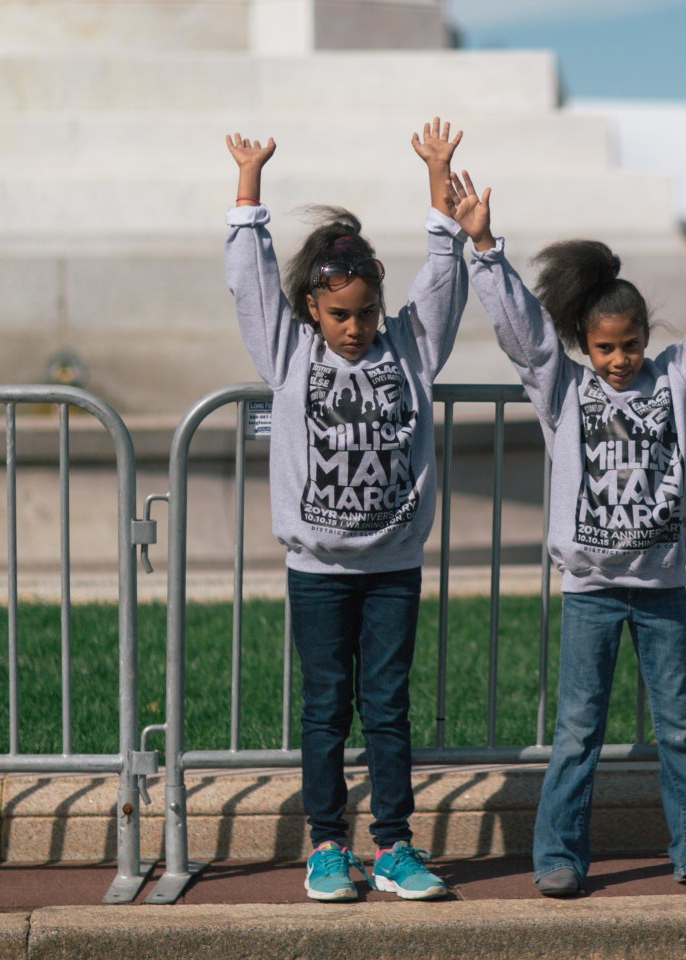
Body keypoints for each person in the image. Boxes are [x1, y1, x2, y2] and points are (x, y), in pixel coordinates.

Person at [454, 166, 686, 897]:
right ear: (585, 342)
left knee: (679, 726)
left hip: (661, 590)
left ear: (647, 338)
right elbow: (522, 331)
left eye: (633, 344)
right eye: (607, 348)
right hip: (590, 590)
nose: (621, 360)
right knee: (579, 731)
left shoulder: (676, 380)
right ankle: (558, 856)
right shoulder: (563, 389)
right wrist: (484, 246)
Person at [223, 118, 469, 902]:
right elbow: (250, 282)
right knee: (327, 710)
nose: (356, 328)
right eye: (340, 316)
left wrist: (439, 182)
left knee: (387, 711)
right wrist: (248, 190)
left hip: (393, 565)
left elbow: (442, 283)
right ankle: (328, 847)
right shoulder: (289, 351)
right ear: (312, 311)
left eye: (365, 313)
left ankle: (394, 846)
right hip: (319, 570)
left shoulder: (410, 349)